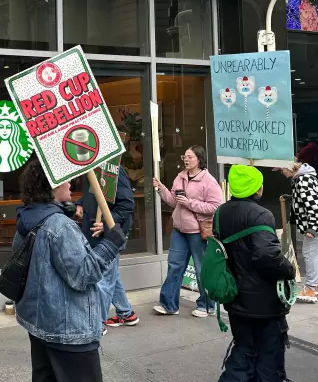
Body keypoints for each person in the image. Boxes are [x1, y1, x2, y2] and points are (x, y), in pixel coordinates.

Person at [14, 159, 127, 382]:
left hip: (39, 325)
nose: (70, 184)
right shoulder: (59, 226)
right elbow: (83, 275)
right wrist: (111, 244)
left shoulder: (27, 217)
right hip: (68, 331)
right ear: (53, 186)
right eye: (66, 180)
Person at [216, 165, 295, 382]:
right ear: (256, 189)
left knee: (244, 350)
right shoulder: (261, 214)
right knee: (269, 356)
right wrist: (289, 269)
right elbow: (267, 256)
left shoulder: (221, 212)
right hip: (264, 301)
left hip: (235, 296)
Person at [153, 145, 223, 317]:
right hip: (179, 230)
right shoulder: (180, 177)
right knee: (174, 266)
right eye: (184, 156)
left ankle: (207, 305)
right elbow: (173, 201)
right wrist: (161, 189)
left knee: (201, 269)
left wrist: (190, 203)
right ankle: (169, 304)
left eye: (190, 157)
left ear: (199, 159)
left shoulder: (209, 181)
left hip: (197, 231)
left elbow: (216, 206)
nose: (186, 159)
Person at [76, 165, 139, 328]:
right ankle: (126, 313)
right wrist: (80, 203)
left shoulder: (115, 170)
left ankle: (97, 324)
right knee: (111, 276)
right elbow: (92, 194)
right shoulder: (91, 168)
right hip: (95, 232)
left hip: (110, 236)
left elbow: (127, 204)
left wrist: (105, 224)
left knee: (103, 280)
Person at [279, 162, 318, 304]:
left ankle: (310, 289)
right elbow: (312, 200)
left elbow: (315, 206)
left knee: (311, 253)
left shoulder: (302, 181)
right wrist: (293, 198)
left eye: (281, 169)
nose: (282, 173)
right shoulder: (305, 176)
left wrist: (313, 228)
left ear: (289, 167)